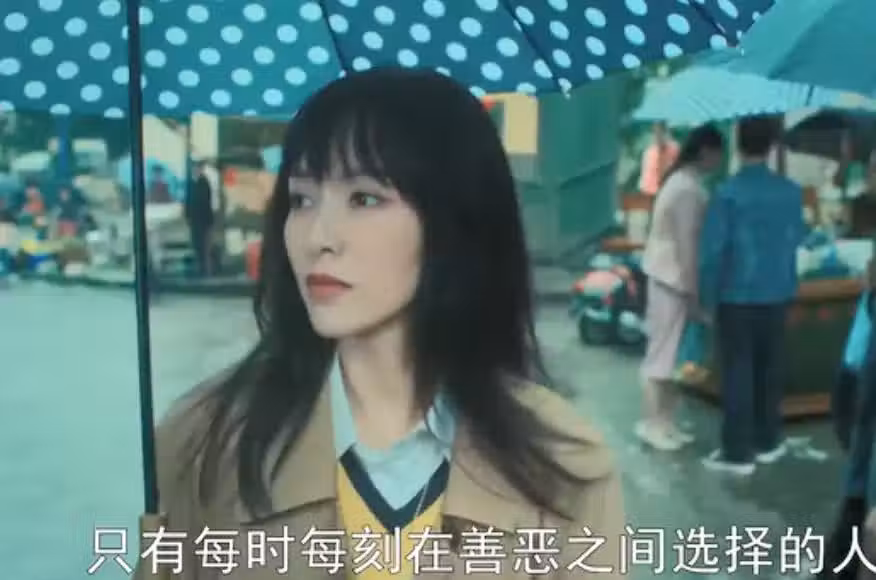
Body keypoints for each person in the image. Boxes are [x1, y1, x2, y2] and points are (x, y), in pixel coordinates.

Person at [134, 67, 625, 580]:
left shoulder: (566, 464)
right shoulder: (205, 442)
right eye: (301, 199)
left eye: (364, 199)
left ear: (456, 222)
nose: (319, 237)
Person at [699, 116, 806, 476]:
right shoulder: (790, 192)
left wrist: (707, 298)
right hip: (778, 292)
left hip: (737, 294)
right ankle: (768, 440)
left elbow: (713, 252)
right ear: (772, 145)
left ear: (738, 144)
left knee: (738, 372)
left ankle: (737, 452)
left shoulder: (726, 193)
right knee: (770, 368)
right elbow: (797, 238)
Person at [637, 124, 726, 451]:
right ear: (705, 152)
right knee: (661, 357)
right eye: (717, 153)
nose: (719, 160)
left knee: (671, 358)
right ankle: (653, 424)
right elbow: (687, 243)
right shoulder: (687, 189)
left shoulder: (683, 182)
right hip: (671, 278)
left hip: (668, 276)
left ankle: (666, 423)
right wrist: (693, 290)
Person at [184, 161, 214, 277]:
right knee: (196, 245)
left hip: (203, 220)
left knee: (204, 246)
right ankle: (200, 269)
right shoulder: (191, 183)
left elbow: (205, 201)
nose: (196, 171)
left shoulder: (204, 182)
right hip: (194, 220)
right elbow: (188, 201)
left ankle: (205, 270)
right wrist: (187, 215)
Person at [639, 122, 681, 196]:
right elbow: (645, 182)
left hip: (670, 192)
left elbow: (678, 173)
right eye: (656, 133)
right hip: (650, 193)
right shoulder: (649, 153)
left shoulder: (675, 150)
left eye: (661, 132)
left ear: (667, 133)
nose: (658, 137)